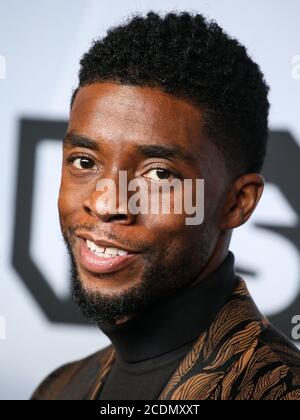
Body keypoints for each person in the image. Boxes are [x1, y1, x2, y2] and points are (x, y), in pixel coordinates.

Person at [32, 11, 300, 400]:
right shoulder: (59, 389)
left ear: (237, 203)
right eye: (85, 162)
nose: (106, 203)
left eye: (159, 175)